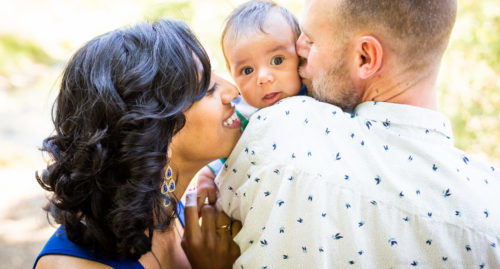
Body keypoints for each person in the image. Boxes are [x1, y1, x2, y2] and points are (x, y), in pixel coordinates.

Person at [214, 0, 500, 268]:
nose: (298, 48)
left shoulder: (284, 130)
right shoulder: (491, 209)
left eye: (310, 41)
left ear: (365, 57)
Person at [33, 18, 241, 269]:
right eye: (208, 89)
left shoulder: (170, 211)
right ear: (153, 130)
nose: (233, 90)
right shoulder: (70, 266)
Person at [197, 0, 306, 195]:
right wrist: (207, 176)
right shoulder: (241, 116)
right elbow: (225, 155)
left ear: (300, 55)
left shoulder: (319, 94)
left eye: (277, 60)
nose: (263, 78)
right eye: (247, 70)